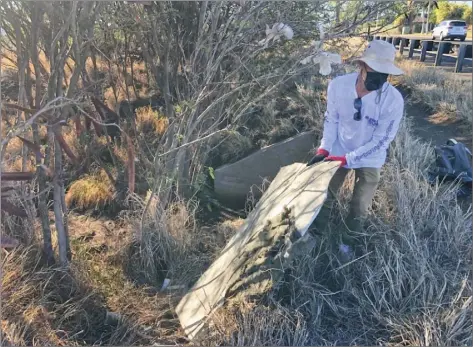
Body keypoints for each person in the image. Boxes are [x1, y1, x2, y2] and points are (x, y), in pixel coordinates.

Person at [307, 40, 405, 254]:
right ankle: (316, 235)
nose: (378, 77)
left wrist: (347, 160)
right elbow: (331, 120)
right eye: (374, 70)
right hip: (340, 146)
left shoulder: (393, 101)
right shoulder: (338, 86)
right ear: (362, 66)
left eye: (384, 73)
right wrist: (324, 149)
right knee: (325, 193)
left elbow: (381, 141)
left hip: (370, 156)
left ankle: (347, 242)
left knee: (360, 204)